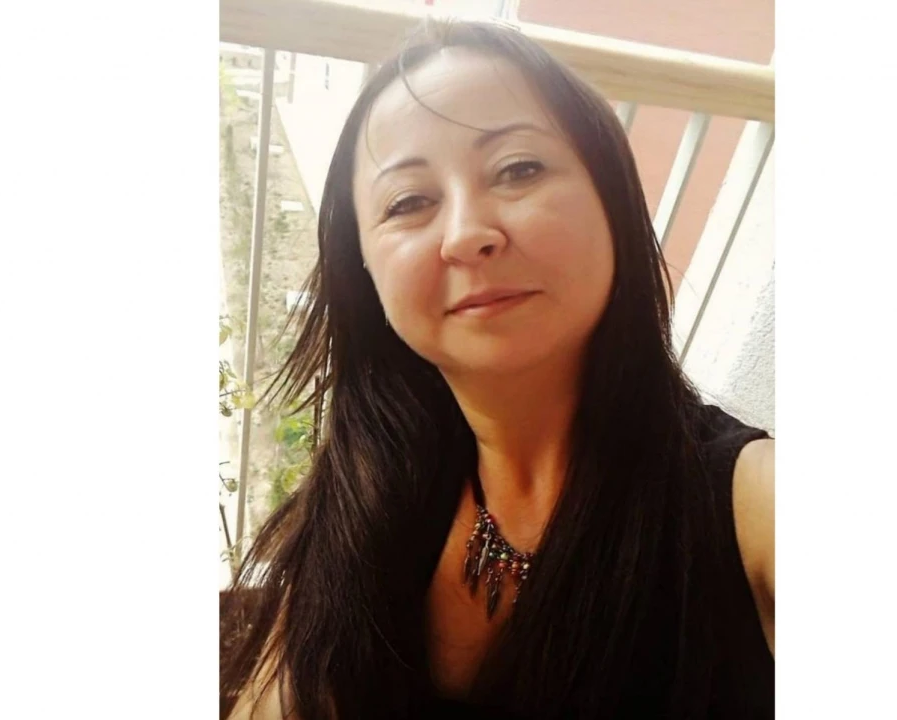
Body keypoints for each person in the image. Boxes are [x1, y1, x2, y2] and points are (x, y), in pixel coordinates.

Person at [221, 18, 774, 720]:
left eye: (519, 169)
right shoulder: (370, 483)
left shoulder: (750, 506)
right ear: (364, 271)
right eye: (409, 202)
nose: (466, 234)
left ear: (612, 200)